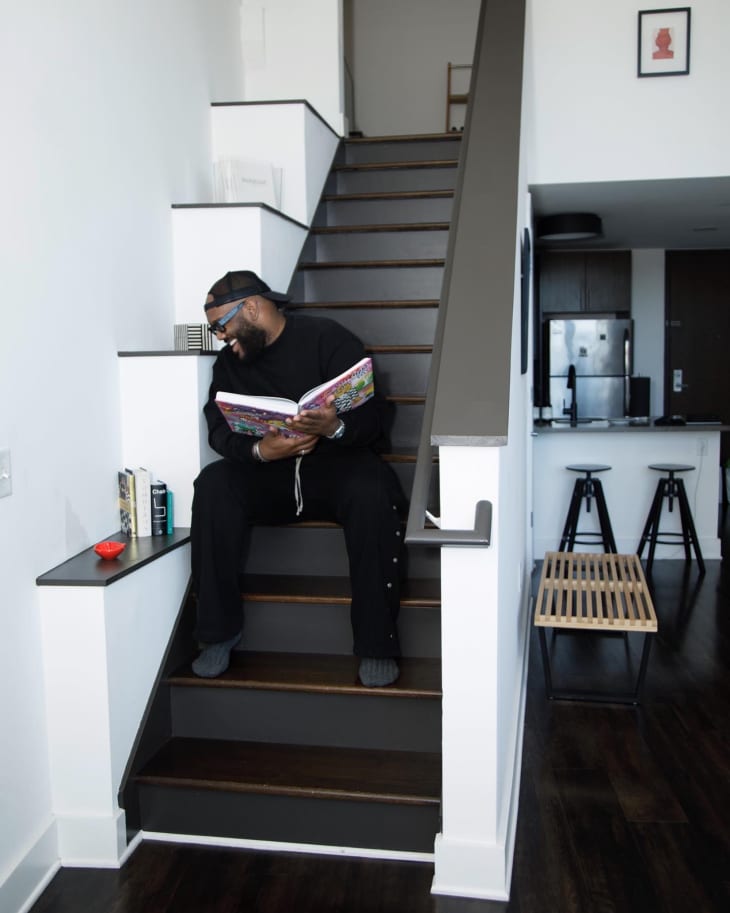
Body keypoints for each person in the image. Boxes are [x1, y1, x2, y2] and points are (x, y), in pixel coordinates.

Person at [190, 270, 404, 686]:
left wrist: (334, 427)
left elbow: (375, 419)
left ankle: (377, 643)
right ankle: (216, 633)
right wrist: (259, 450)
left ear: (251, 307)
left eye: (221, 325)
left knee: (373, 489)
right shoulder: (228, 364)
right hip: (270, 474)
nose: (219, 337)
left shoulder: (328, 338)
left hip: (334, 467)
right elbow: (217, 427)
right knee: (213, 485)